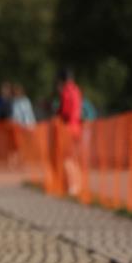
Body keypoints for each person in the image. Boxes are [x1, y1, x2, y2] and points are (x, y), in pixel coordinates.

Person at [55, 68, 83, 197]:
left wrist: (58, 115)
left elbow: (65, 112)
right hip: (77, 127)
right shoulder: (77, 90)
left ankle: (72, 186)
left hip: (68, 129)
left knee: (67, 159)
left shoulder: (66, 91)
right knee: (74, 158)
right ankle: (78, 184)